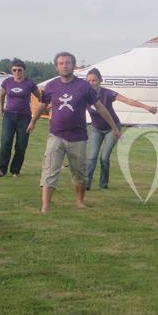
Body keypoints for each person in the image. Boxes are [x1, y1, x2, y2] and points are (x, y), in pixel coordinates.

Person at [27, 52, 120, 212]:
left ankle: (79, 202)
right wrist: (32, 121)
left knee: (79, 172)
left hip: (78, 137)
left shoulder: (84, 87)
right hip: (56, 134)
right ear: (56, 67)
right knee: (50, 169)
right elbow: (42, 105)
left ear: (73, 66)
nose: (64, 65)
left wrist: (114, 127)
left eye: (68, 62)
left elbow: (99, 107)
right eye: (61, 63)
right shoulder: (51, 86)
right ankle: (45, 205)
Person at [84, 68, 158, 190]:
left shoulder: (107, 93)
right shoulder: (84, 95)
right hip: (96, 128)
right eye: (89, 81)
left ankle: (103, 185)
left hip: (112, 128)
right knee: (92, 157)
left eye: (94, 80)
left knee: (104, 158)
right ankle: (86, 185)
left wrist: (147, 107)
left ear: (100, 81)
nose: (91, 83)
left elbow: (128, 101)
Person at [0, 58, 40, 177]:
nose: (17, 72)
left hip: (24, 117)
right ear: (11, 70)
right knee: (6, 141)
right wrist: (1, 108)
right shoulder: (7, 82)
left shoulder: (29, 84)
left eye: (19, 70)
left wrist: (45, 107)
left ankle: (15, 170)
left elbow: (40, 98)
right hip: (9, 115)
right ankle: (1, 169)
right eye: (14, 70)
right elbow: (2, 95)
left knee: (21, 144)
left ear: (24, 70)